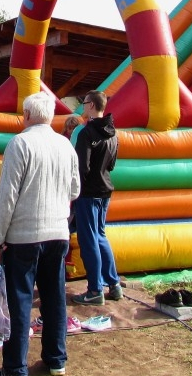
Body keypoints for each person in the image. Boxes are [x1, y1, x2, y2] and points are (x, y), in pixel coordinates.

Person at [0, 92, 80, 376]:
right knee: (55, 298)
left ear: (27, 115)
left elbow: (7, 196)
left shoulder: (20, 143)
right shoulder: (65, 145)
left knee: (20, 301)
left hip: (24, 235)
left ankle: (15, 367)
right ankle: (56, 360)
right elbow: (76, 189)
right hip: (57, 233)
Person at [70, 90, 122, 305]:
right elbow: (111, 165)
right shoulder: (113, 133)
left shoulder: (86, 133)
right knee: (100, 235)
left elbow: (82, 167)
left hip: (89, 192)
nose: (83, 107)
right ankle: (114, 284)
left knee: (89, 238)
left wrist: (73, 192)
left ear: (91, 105)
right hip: (104, 191)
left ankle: (94, 289)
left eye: (84, 103)